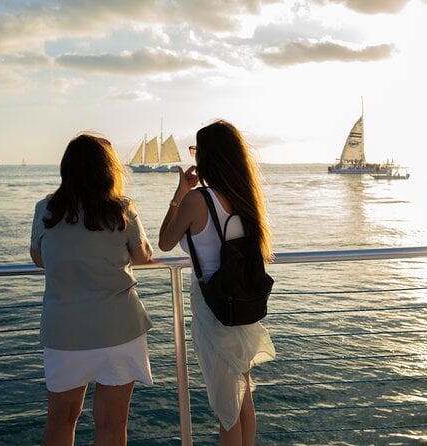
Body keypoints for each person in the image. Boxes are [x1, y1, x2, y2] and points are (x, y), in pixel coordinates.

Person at [30, 133, 154, 446]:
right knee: (112, 425)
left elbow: (40, 258)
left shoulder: (46, 209)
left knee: (61, 420)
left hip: (64, 332)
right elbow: (143, 256)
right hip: (119, 329)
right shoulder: (121, 209)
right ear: (109, 170)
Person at [158, 120, 276, 445]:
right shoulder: (245, 198)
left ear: (208, 156)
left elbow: (165, 241)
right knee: (243, 395)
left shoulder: (198, 200)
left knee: (227, 408)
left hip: (214, 310)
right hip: (243, 307)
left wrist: (179, 192)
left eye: (196, 150)